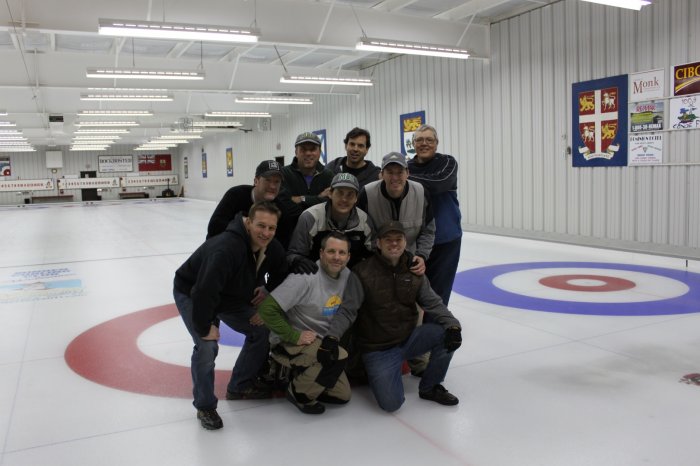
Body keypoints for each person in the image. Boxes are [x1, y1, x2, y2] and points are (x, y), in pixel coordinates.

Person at [173, 201, 288, 430]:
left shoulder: (271, 247)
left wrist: (267, 293)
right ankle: (205, 406)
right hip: (193, 292)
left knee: (261, 329)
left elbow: (281, 272)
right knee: (207, 347)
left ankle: (240, 386)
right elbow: (204, 291)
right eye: (261, 226)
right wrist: (205, 327)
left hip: (230, 296)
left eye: (271, 228)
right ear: (248, 222)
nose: (266, 233)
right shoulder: (226, 248)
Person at [352, 221, 462, 412]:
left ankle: (430, 387)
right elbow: (347, 310)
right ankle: (377, 371)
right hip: (378, 349)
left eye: (398, 239)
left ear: (405, 242)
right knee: (391, 404)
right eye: (388, 239)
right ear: (378, 243)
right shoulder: (362, 272)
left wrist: (453, 325)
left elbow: (433, 303)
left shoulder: (414, 270)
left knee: (447, 333)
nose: (394, 243)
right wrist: (332, 337)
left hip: (408, 340)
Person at [258, 232, 363, 414]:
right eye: (331, 251)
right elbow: (266, 309)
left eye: (342, 253)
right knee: (338, 356)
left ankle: (299, 373)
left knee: (342, 395)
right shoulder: (305, 278)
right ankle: (297, 393)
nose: (336, 257)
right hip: (293, 340)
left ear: (348, 257)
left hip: (320, 341)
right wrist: (293, 336)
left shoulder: (347, 276)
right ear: (321, 253)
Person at [407, 125, 462, 305]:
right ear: (413, 144)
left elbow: (439, 183)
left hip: (445, 239)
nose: (424, 143)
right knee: (413, 290)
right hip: (416, 241)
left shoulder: (447, 162)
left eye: (429, 140)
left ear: (436, 143)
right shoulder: (407, 167)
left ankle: (437, 321)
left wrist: (404, 179)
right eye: (419, 140)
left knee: (439, 291)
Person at [287, 172, 373, 273]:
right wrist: (298, 260)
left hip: (351, 276)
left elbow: (372, 256)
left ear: (356, 198)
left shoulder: (364, 220)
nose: (344, 199)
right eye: (340, 193)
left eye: (350, 194)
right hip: (315, 275)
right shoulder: (310, 217)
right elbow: (293, 254)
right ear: (330, 193)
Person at [276, 131, 334, 248]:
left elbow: (331, 205)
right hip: (288, 238)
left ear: (319, 152)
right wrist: (318, 198)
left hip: (320, 240)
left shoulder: (329, 176)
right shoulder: (283, 174)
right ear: (296, 152)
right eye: (303, 149)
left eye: (312, 149)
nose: (308, 153)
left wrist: (301, 199)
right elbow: (283, 206)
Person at [206, 160, 283, 239]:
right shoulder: (236, 195)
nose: (272, 186)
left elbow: (281, 239)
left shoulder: (280, 208)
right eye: (268, 180)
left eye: (277, 182)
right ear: (256, 181)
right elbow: (214, 227)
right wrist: (245, 227)